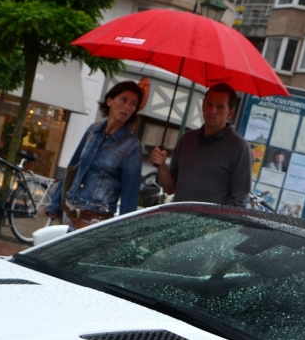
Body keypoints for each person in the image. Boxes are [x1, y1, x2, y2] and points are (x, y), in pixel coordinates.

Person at [45, 81, 144, 230]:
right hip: (69, 211)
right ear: (109, 101)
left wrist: (125, 231)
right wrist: (55, 204)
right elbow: (73, 168)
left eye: (133, 104)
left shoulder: (132, 147)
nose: (128, 107)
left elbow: (130, 194)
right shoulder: (93, 130)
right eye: (123, 100)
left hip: (96, 220)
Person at [149, 83, 252, 208]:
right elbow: (170, 188)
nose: (212, 110)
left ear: (230, 113)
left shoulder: (239, 148)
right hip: (177, 221)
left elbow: (238, 201)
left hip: (212, 225)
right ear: (203, 105)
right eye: (209, 103)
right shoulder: (187, 139)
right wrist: (161, 166)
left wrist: (216, 226)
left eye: (220, 107)